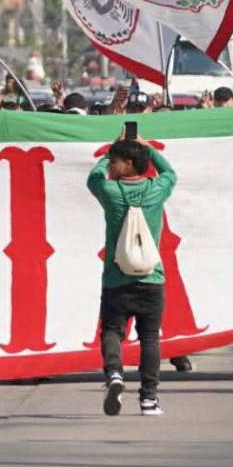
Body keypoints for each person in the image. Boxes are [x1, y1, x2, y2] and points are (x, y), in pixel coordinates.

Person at [87, 131, 177, 416]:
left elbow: (93, 178)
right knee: (150, 337)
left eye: (115, 160)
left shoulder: (111, 192)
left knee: (112, 330)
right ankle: (149, 398)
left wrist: (104, 155)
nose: (111, 165)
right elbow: (170, 172)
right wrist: (148, 148)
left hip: (116, 277)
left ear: (128, 163)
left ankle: (114, 373)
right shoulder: (156, 189)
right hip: (151, 277)